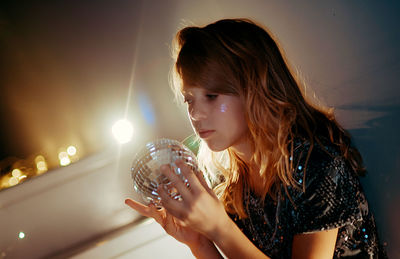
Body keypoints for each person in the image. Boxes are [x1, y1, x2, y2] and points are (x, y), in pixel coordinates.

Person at [125, 18, 386, 258]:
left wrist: (219, 228)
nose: (195, 113)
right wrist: (200, 243)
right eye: (188, 99)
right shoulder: (232, 184)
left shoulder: (316, 167)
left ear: (254, 89)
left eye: (212, 96)